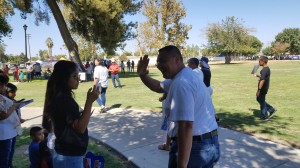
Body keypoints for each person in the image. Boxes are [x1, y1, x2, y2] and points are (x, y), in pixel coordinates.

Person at [137, 45, 220, 168]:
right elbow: (159, 87)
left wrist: (181, 165)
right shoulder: (184, 75)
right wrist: (143, 75)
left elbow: (186, 126)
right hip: (207, 144)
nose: (158, 65)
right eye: (158, 62)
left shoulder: (181, 83)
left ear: (177, 60)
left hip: (196, 148)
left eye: (162, 61)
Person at [42, 60, 99, 168]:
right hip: (69, 156)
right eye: (74, 76)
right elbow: (80, 128)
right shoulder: (63, 99)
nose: (78, 79)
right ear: (64, 78)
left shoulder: (59, 96)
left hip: (64, 153)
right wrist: (89, 101)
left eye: (78, 75)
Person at [0, 73, 21, 168]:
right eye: (4, 85)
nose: (5, 87)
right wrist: (14, 106)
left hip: (10, 131)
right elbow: (2, 116)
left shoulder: (1, 96)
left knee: (8, 158)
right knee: (4, 160)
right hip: (3, 134)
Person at [255, 56, 276, 121]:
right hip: (265, 87)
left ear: (263, 61)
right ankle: (271, 109)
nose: (259, 62)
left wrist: (259, 90)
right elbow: (264, 77)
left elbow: (262, 80)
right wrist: (258, 76)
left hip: (263, 88)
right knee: (259, 99)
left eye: (259, 61)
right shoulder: (267, 69)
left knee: (261, 100)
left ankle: (265, 115)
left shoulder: (264, 70)